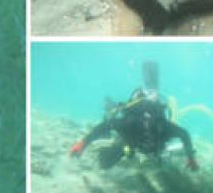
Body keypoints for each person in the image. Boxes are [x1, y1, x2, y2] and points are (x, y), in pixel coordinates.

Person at [69, 62, 199, 172]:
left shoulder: (162, 125)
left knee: (114, 156)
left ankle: (115, 106)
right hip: (130, 143)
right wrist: (83, 143)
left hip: (150, 144)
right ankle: (112, 106)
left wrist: (190, 157)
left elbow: (184, 134)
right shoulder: (131, 123)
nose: (148, 123)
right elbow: (107, 125)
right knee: (106, 161)